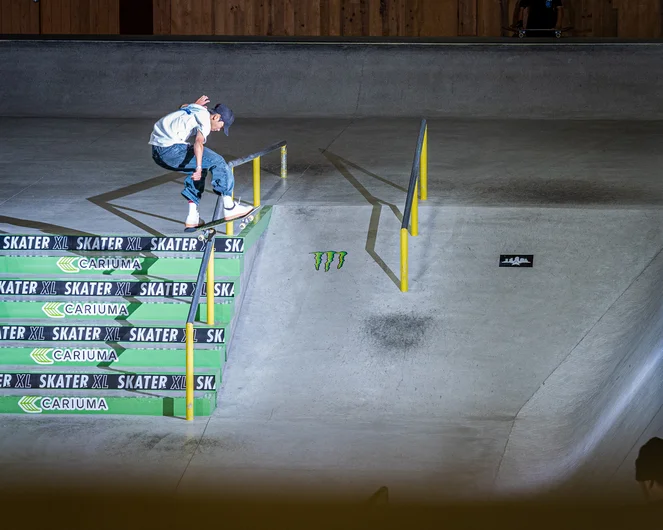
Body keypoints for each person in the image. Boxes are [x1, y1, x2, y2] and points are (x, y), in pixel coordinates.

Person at [149, 95, 253, 230]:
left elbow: (182, 106)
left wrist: (195, 104)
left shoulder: (195, 109)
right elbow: (198, 142)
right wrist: (198, 166)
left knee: (201, 167)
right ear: (215, 117)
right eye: (221, 127)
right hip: (172, 150)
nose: (217, 130)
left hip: (158, 153)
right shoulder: (205, 119)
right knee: (218, 162)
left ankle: (192, 217)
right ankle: (229, 207)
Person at [635, 437, 663, 503]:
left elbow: (641, 481)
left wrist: (647, 497)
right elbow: (640, 481)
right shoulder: (643, 468)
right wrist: (647, 497)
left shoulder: (644, 469)